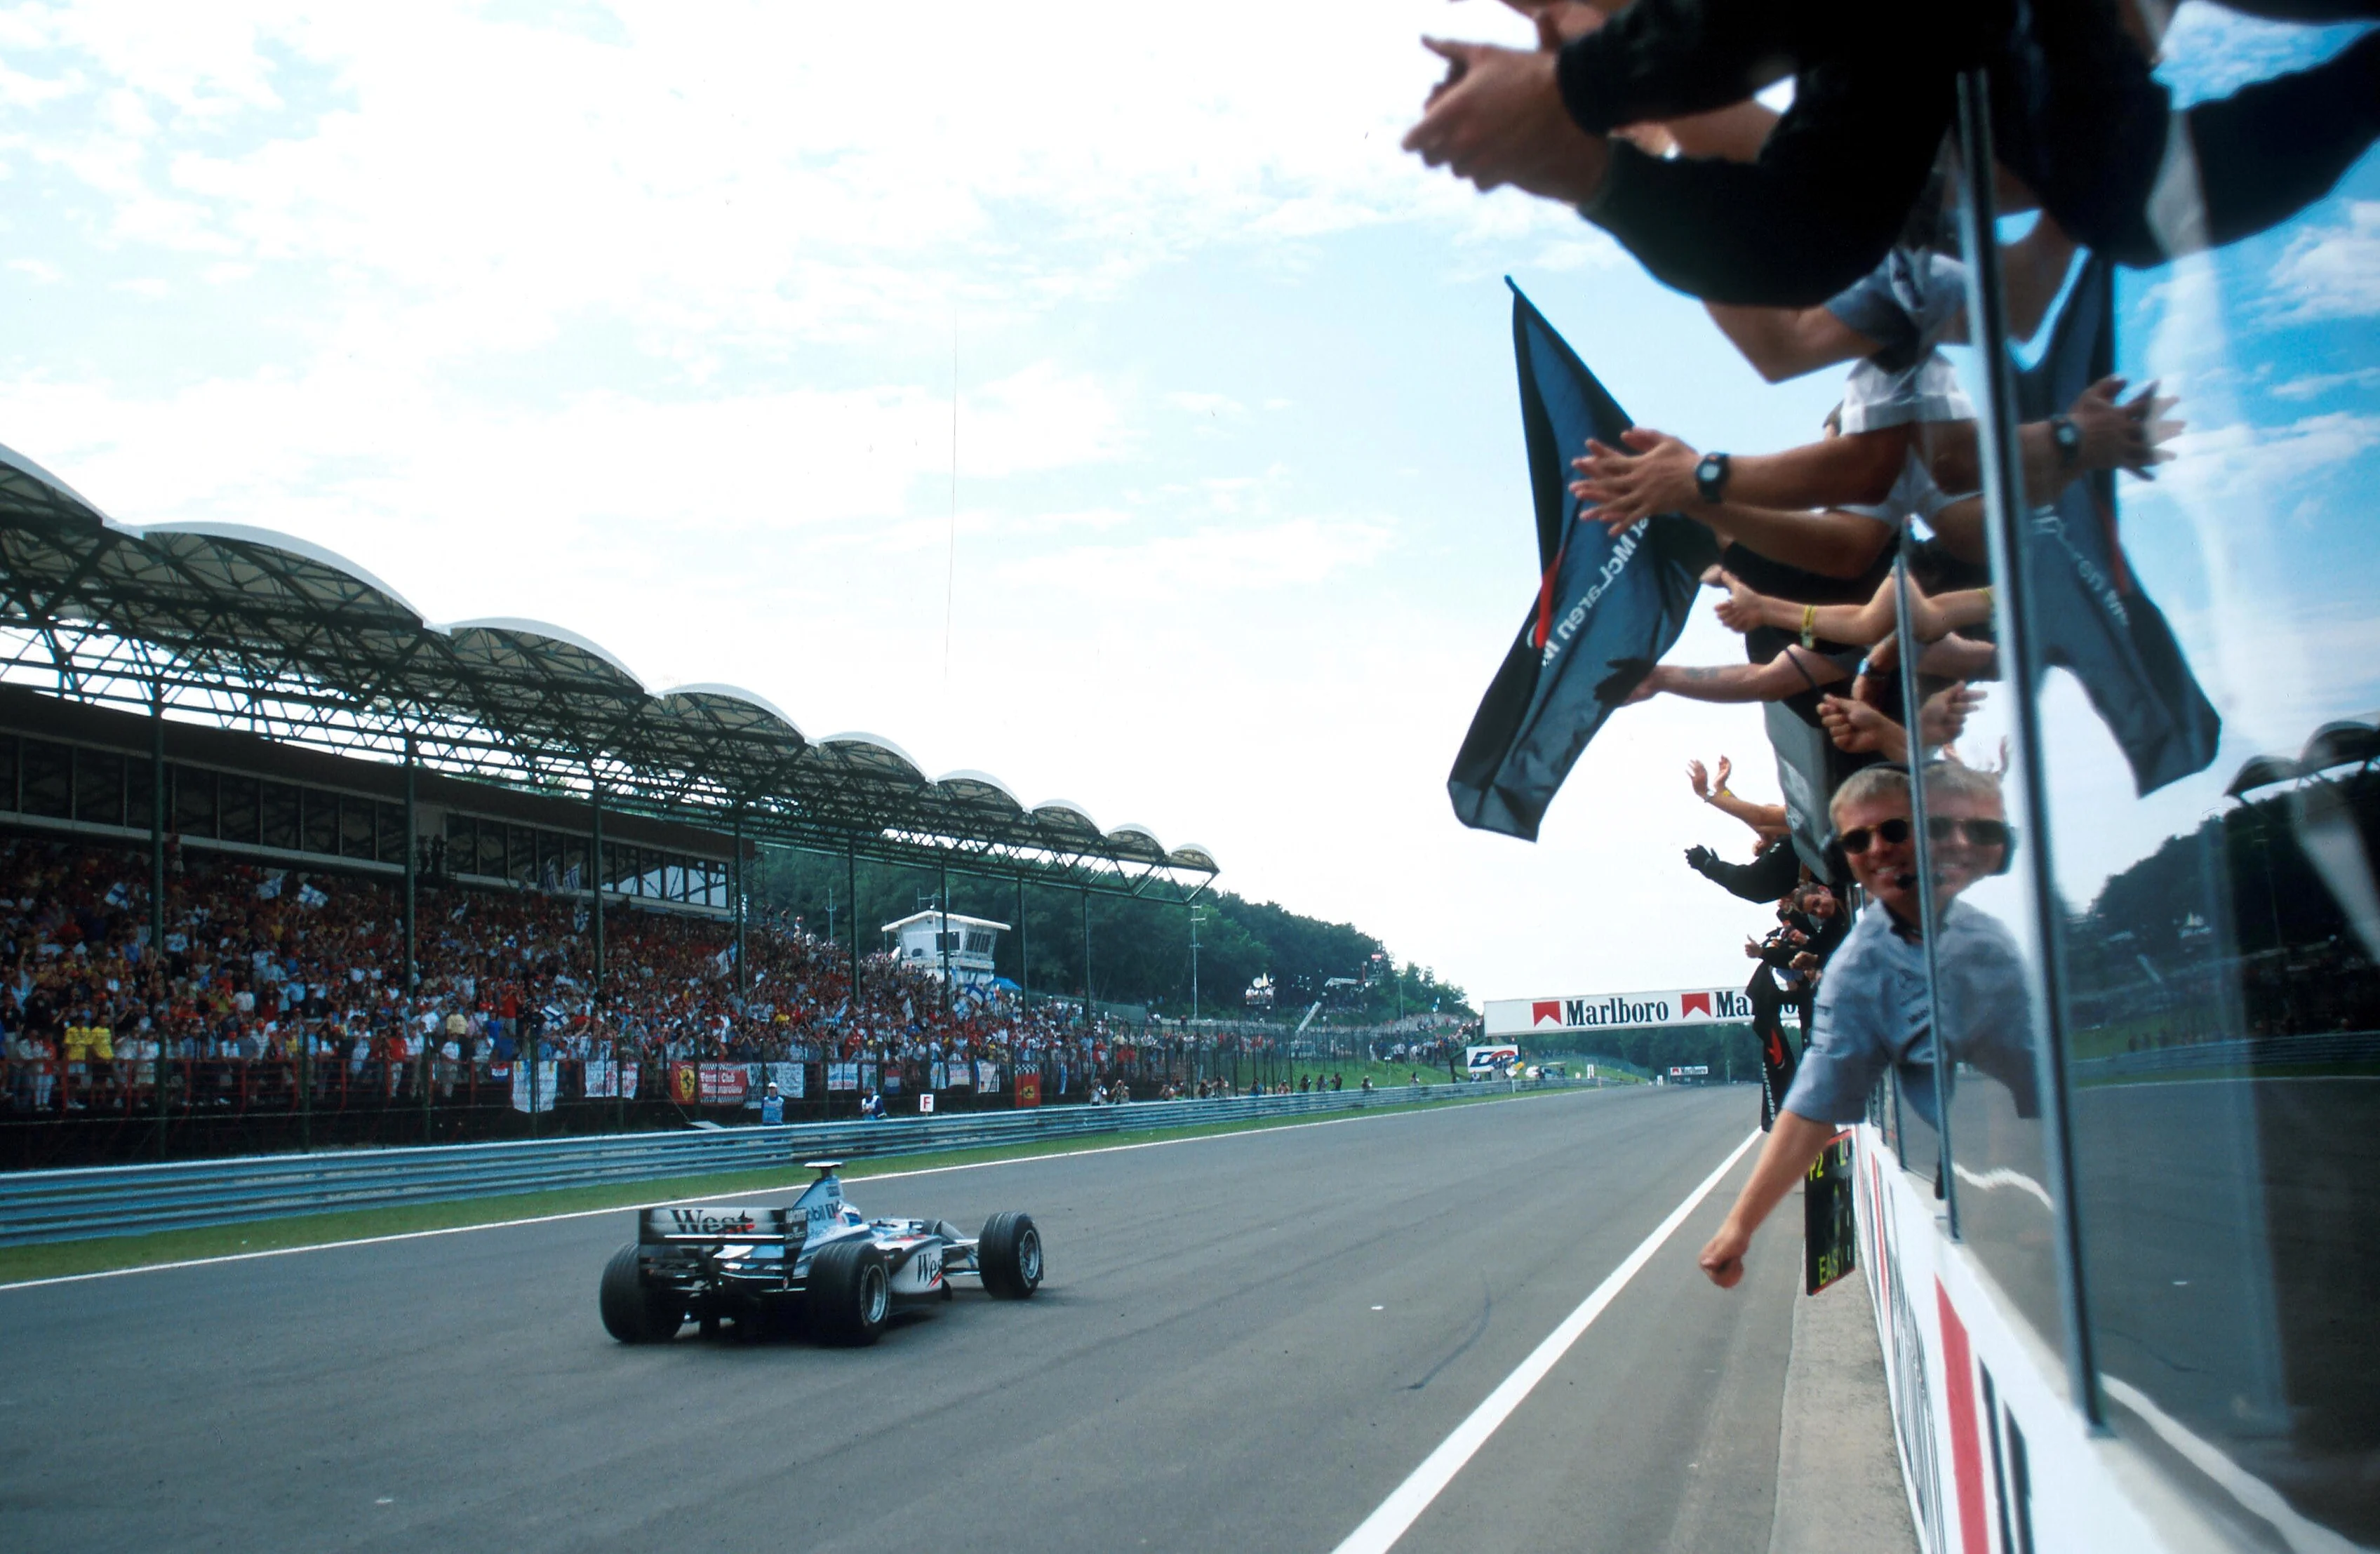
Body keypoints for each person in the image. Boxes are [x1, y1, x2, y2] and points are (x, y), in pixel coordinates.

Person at [1699, 763, 2031, 1288]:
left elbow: (2011, 1087)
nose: (1876, 848)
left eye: (1894, 830)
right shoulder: (1857, 969)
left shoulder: (1985, 934)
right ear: (1844, 858)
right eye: (1857, 840)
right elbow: (1813, 1102)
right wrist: (1739, 1225)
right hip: (1984, 1185)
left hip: (2036, 1169)